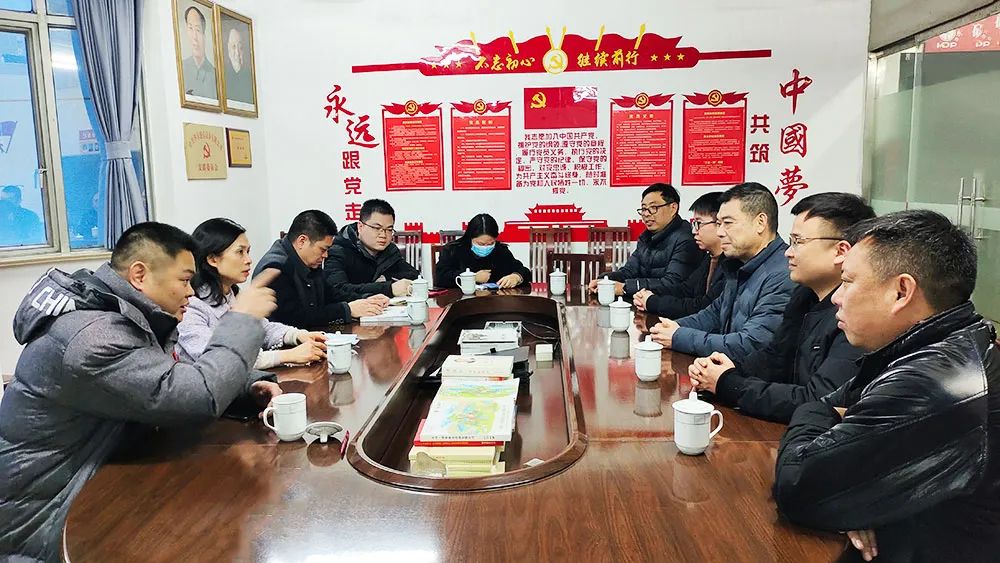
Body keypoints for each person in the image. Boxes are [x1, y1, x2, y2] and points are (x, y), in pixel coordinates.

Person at [0, 222, 282, 562]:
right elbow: (196, 396)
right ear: (139, 275)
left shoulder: (122, 316)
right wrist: (242, 320)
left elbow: (165, 377)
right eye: (184, 280)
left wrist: (247, 385)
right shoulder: (93, 337)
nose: (191, 293)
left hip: (95, 482)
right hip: (45, 520)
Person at [774, 210, 999, 562]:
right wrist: (859, 498)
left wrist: (851, 498)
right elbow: (833, 408)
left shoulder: (936, 381)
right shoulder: (926, 344)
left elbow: (798, 485)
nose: (836, 297)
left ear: (901, 291)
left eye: (848, 282)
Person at [687, 193, 874, 423]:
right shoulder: (804, 295)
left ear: (841, 251)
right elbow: (774, 358)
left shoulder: (857, 315)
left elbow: (817, 401)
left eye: (798, 242)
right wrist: (724, 369)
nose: (788, 251)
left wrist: (728, 383)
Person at [650, 183, 794, 362]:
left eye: (728, 223)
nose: (719, 232)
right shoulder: (741, 264)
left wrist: (678, 336)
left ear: (760, 223)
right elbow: (713, 313)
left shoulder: (783, 273)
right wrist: (673, 326)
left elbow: (751, 344)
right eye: (718, 224)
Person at [178, 218, 328, 368]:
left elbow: (263, 328)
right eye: (240, 252)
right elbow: (220, 360)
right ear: (213, 259)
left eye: (248, 252)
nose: (249, 260)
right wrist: (287, 356)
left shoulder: (231, 294)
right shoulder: (189, 307)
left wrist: (298, 335)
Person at [255, 210, 384, 329]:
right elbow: (294, 319)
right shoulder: (275, 269)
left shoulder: (308, 260)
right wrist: (347, 310)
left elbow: (331, 294)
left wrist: (365, 300)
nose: (325, 255)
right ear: (302, 241)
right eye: (323, 249)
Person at [587, 183, 701, 298]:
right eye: (644, 209)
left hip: (672, 306)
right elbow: (629, 271)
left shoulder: (686, 239)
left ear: (673, 208)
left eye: (653, 208)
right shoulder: (646, 237)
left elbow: (672, 283)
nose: (646, 214)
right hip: (646, 303)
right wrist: (605, 280)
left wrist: (625, 288)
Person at [633, 192, 733, 319]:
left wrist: (652, 302)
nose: (694, 231)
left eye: (698, 223)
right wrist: (646, 293)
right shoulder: (709, 257)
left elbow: (702, 307)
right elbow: (686, 289)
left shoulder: (732, 264)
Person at [325, 199, 420, 299]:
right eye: (376, 228)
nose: (383, 235)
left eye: (389, 230)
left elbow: (414, 275)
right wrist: (388, 288)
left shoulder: (389, 250)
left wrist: (385, 278)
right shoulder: (339, 250)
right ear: (360, 227)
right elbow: (337, 289)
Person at [434, 213, 531, 289]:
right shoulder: (453, 250)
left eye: (490, 243)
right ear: (470, 238)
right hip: (460, 302)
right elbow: (440, 278)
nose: (485, 247)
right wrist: (472, 278)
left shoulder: (500, 251)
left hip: (495, 302)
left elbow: (524, 271)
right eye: (480, 244)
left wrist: (517, 277)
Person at [181, 5, 217, 99]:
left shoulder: (214, 74)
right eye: (190, 28)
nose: (194, 37)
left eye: (197, 30)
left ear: (204, 35)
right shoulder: (181, 68)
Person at [223, 25, 253, 104]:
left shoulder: (250, 77)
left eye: (240, 47)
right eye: (233, 47)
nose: (237, 53)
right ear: (228, 49)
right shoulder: (223, 76)